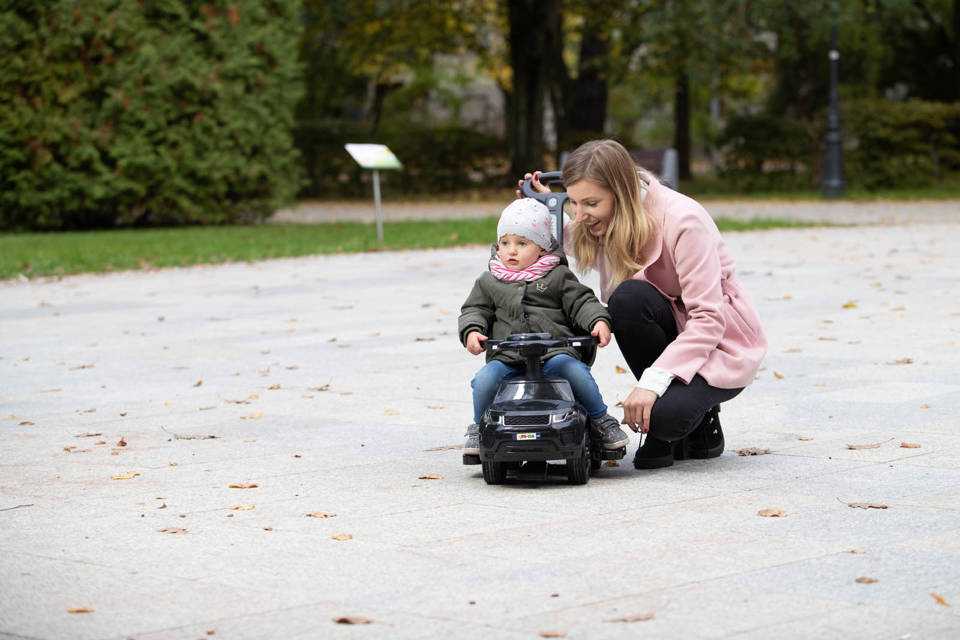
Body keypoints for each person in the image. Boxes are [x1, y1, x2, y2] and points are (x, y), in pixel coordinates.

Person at [519, 139, 767, 469]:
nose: (579, 215)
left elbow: (708, 319)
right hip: (669, 324)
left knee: (665, 420)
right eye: (574, 203)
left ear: (620, 194)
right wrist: (542, 209)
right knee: (627, 300)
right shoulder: (614, 216)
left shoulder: (683, 220)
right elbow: (581, 240)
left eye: (590, 203)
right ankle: (680, 421)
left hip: (718, 343)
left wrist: (650, 385)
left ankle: (698, 417)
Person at [458, 197, 631, 458]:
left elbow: (581, 301)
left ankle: (600, 420)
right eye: (505, 243)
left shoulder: (557, 277)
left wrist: (598, 320)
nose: (511, 251)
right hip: (508, 357)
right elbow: (475, 309)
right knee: (484, 380)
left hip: (553, 353)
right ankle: (479, 425)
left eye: (521, 243)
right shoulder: (489, 280)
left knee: (575, 371)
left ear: (541, 248)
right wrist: (472, 330)